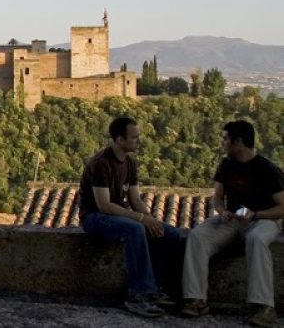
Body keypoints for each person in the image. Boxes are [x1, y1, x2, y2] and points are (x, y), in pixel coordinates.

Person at [182, 120, 284, 327]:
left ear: (238, 142)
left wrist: (256, 215)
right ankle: (196, 300)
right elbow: (218, 197)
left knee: (256, 240)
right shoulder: (226, 165)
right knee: (197, 236)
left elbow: (282, 207)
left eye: (225, 139)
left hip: (264, 219)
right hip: (234, 219)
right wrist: (222, 211)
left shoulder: (268, 170)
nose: (223, 143)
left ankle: (264, 308)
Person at [78, 117, 180, 318]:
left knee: (170, 234)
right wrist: (141, 220)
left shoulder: (130, 163)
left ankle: (156, 287)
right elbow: (104, 205)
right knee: (135, 229)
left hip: (119, 213)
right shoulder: (101, 164)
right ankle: (138, 294)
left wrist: (151, 219)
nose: (138, 141)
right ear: (119, 139)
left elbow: (135, 199)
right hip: (95, 217)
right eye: (134, 137)